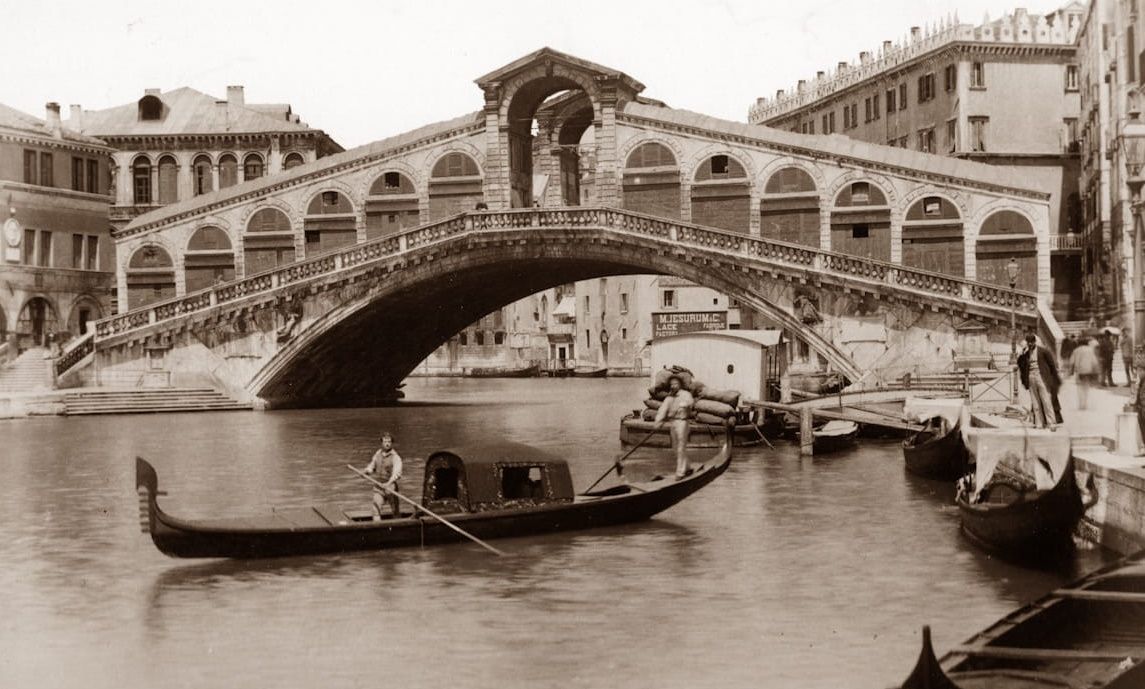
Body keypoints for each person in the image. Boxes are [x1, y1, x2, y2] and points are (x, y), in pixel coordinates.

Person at [653, 375, 695, 479]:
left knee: (681, 447)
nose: (673, 386)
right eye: (671, 384)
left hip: (683, 423)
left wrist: (685, 404)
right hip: (673, 423)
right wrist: (657, 422)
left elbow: (691, 403)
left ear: (680, 385)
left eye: (675, 384)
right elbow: (662, 410)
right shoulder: (669, 398)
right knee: (675, 448)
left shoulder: (686, 394)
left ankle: (680, 473)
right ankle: (688, 467)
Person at [1017, 333, 1061, 429]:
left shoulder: (1043, 351)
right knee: (1035, 401)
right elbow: (1020, 365)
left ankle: (1051, 423)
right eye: (1028, 343)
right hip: (1031, 377)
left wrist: (1054, 380)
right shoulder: (1026, 354)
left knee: (1046, 400)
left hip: (1042, 377)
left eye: (1031, 343)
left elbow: (1052, 366)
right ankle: (1039, 423)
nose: (1030, 345)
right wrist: (1022, 354)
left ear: (1034, 342)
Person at [363, 432, 403, 519]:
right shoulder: (378, 454)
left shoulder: (396, 457)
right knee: (375, 510)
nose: (387, 444)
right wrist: (367, 471)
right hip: (378, 487)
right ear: (382, 443)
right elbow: (372, 466)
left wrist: (388, 483)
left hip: (390, 487)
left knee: (395, 511)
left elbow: (397, 474)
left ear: (392, 443)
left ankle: (398, 527)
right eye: (385, 441)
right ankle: (376, 529)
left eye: (389, 442)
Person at [1069, 337, 1100, 410]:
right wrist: (1095, 371)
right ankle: (1085, 404)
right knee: (1086, 387)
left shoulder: (1076, 350)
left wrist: (1071, 371)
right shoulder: (1090, 350)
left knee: (1079, 388)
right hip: (1088, 371)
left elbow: (1071, 362)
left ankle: (1081, 404)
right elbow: (1094, 362)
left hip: (1079, 371)